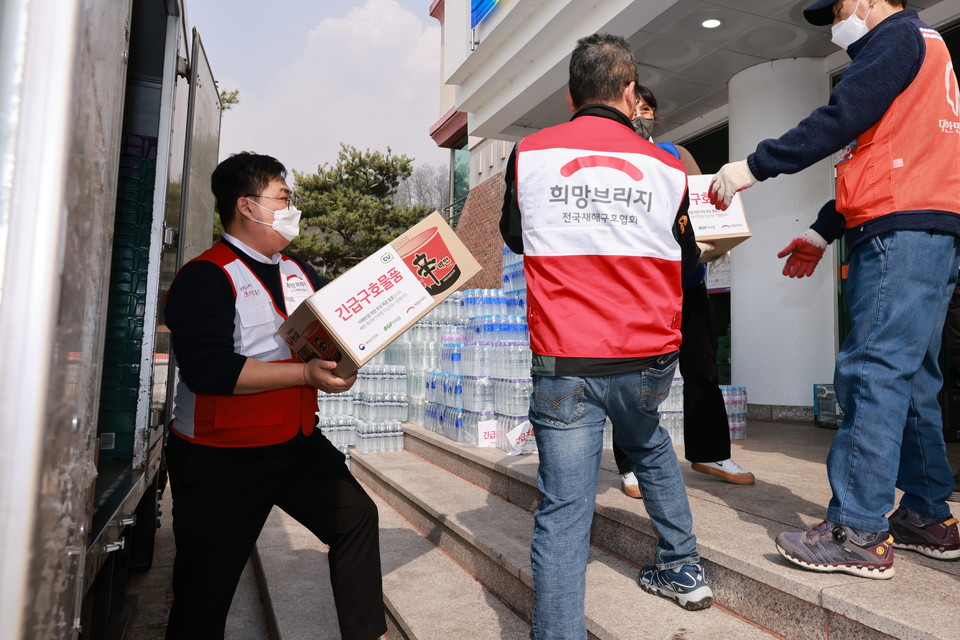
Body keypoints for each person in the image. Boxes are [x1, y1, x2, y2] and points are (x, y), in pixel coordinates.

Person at [710, 0, 960, 578]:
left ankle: (858, 531)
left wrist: (753, 166)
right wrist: (824, 231)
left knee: (870, 374)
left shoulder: (897, 39)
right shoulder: (927, 51)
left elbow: (839, 120)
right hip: (926, 229)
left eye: (840, 9)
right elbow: (877, 153)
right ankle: (927, 515)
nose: (834, 24)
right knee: (914, 378)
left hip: (899, 230)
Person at [501, 33, 714, 638]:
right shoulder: (669, 163)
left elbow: (517, 237)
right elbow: (688, 257)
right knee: (647, 445)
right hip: (648, 355)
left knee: (565, 513)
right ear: (629, 92)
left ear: (572, 95)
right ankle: (683, 567)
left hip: (568, 358)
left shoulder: (531, 153)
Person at [163, 152, 386, 639]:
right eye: (282, 198)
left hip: (294, 442)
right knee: (205, 592)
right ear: (247, 206)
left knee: (355, 519)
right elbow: (208, 371)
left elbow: (338, 329)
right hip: (222, 456)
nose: (292, 208)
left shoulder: (298, 271)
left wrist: (348, 356)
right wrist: (306, 374)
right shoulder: (206, 276)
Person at [614, 85, 754, 500]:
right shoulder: (617, 158)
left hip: (687, 282)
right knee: (635, 375)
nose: (641, 114)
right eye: (635, 106)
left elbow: (706, 206)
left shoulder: (677, 154)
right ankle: (631, 462)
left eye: (648, 108)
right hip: (638, 287)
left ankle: (710, 453)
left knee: (702, 367)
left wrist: (713, 241)